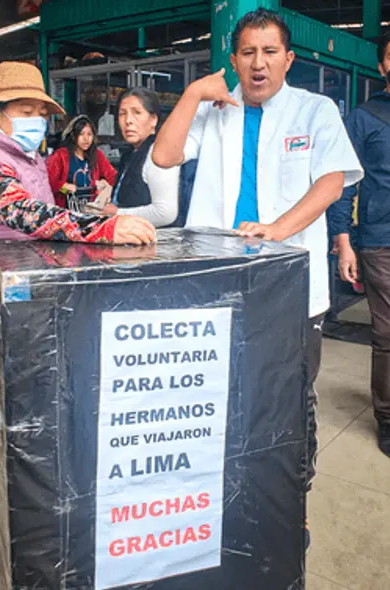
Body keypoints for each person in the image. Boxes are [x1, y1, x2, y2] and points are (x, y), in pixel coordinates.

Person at [151, 8, 363, 487]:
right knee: (219, 384)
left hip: (290, 288)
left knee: (290, 391)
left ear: (288, 60)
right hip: (217, 281)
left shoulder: (315, 110)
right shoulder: (214, 110)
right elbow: (164, 156)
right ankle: (226, 480)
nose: (258, 63)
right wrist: (191, 94)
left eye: (269, 52)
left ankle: (293, 493)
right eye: (248, 52)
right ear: (233, 58)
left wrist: (278, 227)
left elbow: (331, 183)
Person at [0, 61, 155, 383]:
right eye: (25, 112)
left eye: (41, 113)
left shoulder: (23, 154)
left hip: (14, 299)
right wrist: (100, 229)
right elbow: (23, 212)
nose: (37, 121)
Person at [330, 30, 390, 456]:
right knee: (388, 332)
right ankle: (387, 418)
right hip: (379, 239)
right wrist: (343, 241)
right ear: (383, 65)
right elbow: (343, 184)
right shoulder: (364, 118)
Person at [103, 88, 180, 227]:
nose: (128, 121)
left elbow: (165, 213)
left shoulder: (157, 154)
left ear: (153, 120)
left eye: (137, 113)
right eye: (122, 114)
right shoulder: (130, 154)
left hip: (155, 244)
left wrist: (118, 213)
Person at [47, 114, 117, 211]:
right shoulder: (60, 156)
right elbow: (49, 183)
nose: (86, 139)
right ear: (73, 136)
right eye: (81, 134)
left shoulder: (97, 155)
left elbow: (113, 177)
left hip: (91, 210)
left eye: (89, 134)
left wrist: (105, 185)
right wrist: (63, 187)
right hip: (65, 210)